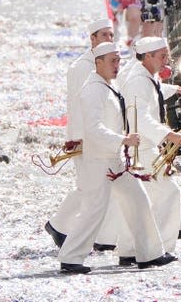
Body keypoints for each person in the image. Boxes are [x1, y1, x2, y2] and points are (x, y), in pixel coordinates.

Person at [57, 42, 175, 273]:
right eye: (112, 60)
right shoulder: (92, 90)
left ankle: (149, 253)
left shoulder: (109, 86)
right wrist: (123, 140)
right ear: (97, 62)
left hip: (115, 159)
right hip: (99, 161)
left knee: (138, 200)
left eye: (118, 60)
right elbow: (93, 129)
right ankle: (70, 257)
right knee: (95, 209)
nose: (116, 65)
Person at [119, 37, 181, 255]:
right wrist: (169, 134)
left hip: (147, 148)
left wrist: (171, 89)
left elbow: (154, 92)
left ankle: (129, 251)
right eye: (162, 55)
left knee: (142, 202)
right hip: (142, 149)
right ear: (148, 56)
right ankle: (161, 248)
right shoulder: (137, 80)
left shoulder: (147, 76)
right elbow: (141, 117)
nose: (167, 59)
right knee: (168, 194)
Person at [45, 19, 118, 250]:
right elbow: (77, 105)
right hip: (85, 137)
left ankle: (65, 228)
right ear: (93, 38)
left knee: (98, 186)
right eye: (104, 35)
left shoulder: (109, 61)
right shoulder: (81, 67)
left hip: (104, 135)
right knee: (90, 187)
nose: (108, 39)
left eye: (111, 35)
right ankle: (60, 226)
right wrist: (78, 139)